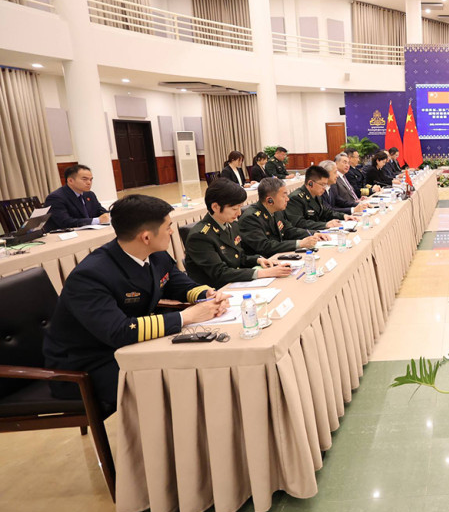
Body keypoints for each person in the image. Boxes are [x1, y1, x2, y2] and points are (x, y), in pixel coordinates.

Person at [43, 194, 229, 412]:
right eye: (168, 227)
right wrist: (186, 317)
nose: (172, 231)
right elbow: (118, 331)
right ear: (146, 237)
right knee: (176, 380)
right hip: (87, 364)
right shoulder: (91, 275)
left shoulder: (155, 255)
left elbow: (178, 284)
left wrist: (207, 295)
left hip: (131, 347)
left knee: (198, 364)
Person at [183, 179, 293, 287]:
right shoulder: (200, 236)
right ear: (215, 207)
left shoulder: (232, 225)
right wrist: (263, 273)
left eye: (240, 207)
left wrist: (258, 260)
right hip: (216, 291)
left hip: (234, 283)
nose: (239, 213)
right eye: (235, 208)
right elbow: (220, 273)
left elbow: (238, 257)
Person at [238, 177, 329, 256]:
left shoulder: (277, 211)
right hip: (264, 261)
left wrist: (312, 234)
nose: (287, 199)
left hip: (278, 256)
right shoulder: (250, 218)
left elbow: (289, 230)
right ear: (270, 200)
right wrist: (299, 243)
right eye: (284, 196)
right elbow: (265, 246)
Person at [43, 164, 110, 231]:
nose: (89, 183)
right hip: (65, 234)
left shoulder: (89, 194)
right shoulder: (56, 197)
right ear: (70, 181)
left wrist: (107, 215)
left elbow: (101, 211)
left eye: (90, 179)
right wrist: (97, 220)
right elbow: (65, 222)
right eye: (85, 179)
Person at [285, 165, 351, 230]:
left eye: (325, 185)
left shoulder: (316, 195)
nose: (324, 188)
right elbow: (299, 223)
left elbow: (327, 213)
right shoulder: (296, 198)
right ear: (310, 183)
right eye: (322, 184)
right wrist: (325, 225)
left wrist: (343, 216)